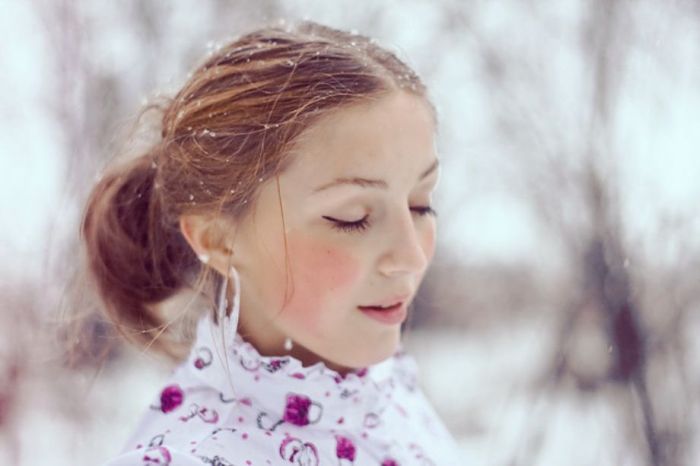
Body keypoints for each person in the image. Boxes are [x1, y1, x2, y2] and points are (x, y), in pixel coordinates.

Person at [83, 19, 462, 465]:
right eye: (352, 218)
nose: (411, 256)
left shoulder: (392, 396)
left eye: (420, 205)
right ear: (219, 239)